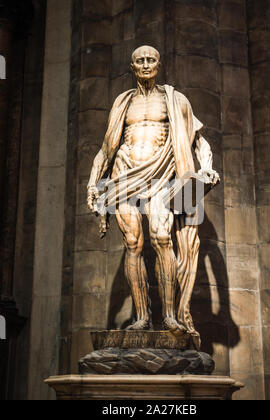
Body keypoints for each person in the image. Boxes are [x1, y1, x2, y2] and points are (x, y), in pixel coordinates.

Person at [87, 46, 219, 336]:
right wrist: (93, 181)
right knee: (132, 244)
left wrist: (206, 167)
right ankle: (142, 317)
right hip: (124, 175)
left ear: (159, 64)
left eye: (151, 60)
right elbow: (106, 148)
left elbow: (199, 141)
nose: (146, 65)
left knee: (162, 238)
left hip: (162, 175)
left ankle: (170, 317)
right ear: (132, 66)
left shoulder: (174, 99)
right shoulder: (123, 102)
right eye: (140, 61)